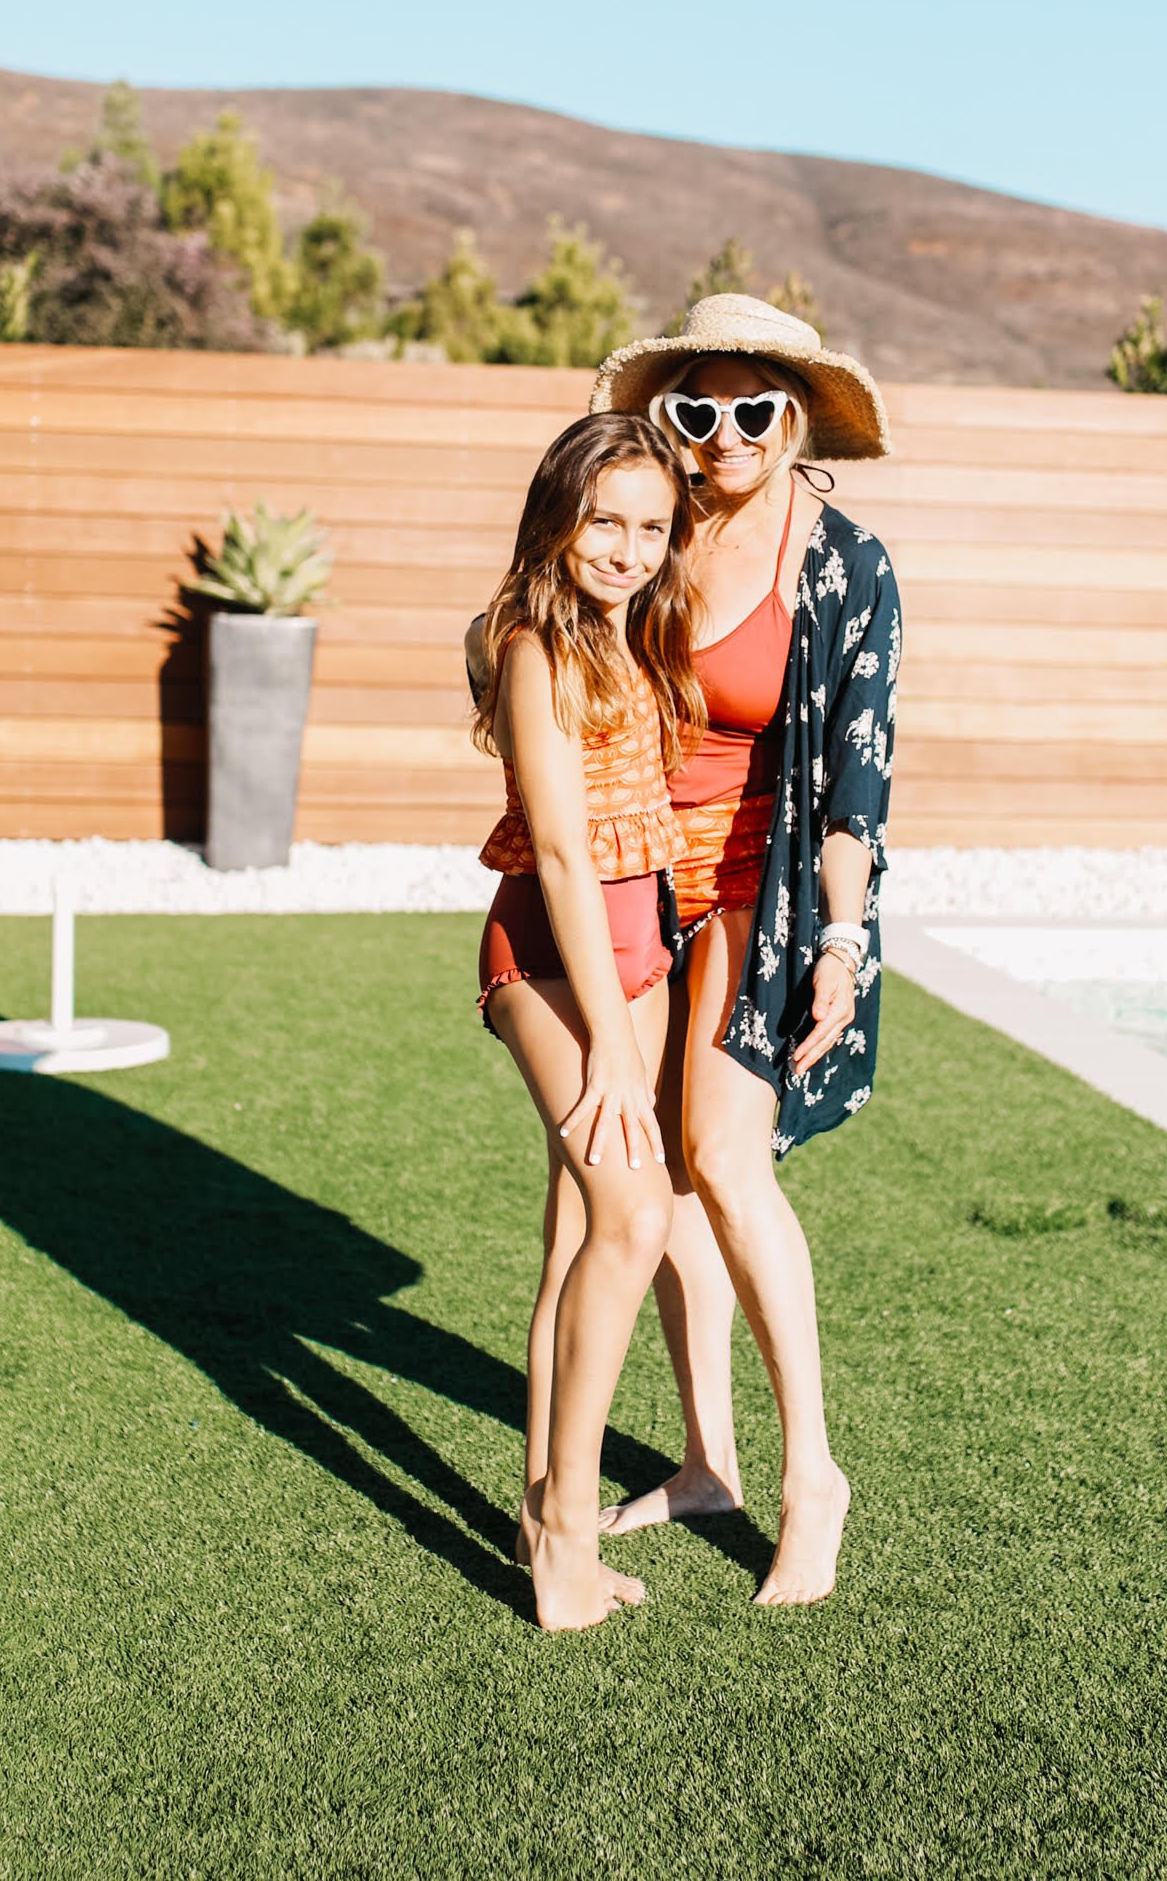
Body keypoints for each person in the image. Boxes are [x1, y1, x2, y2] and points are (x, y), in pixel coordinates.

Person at [588, 293, 901, 1607]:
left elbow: (854, 776)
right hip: (638, 873)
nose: (723, 435)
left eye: (752, 411)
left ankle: (810, 1477)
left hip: (758, 891)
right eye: (697, 409)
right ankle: (705, 1458)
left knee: (722, 1154)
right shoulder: (655, 523)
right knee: (652, 1184)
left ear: (796, 419)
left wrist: (839, 940)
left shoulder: (841, 564)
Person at [472, 410, 706, 1631]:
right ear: (558, 516)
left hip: (639, 948)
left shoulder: (631, 634)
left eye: (651, 527)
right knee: (634, 1212)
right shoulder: (531, 647)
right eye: (604, 520)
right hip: (557, 963)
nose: (625, 547)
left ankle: (538, 1509)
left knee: (577, 1231)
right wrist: (613, 1036)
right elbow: (560, 853)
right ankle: (563, 1542)